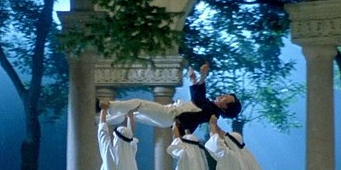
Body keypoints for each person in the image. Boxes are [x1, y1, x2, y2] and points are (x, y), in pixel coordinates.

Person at [100, 62, 241, 133]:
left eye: (226, 98)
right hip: (169, 115)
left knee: (138, 104)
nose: (222, 96)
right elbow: (199, 98)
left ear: (225, 108)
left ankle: (108, 106)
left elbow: (198, 99)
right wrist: (197, 78)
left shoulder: (212, 112)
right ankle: (102, 119)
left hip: (170, 115)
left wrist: (201, 77)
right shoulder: (210, 107)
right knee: (132, 114)